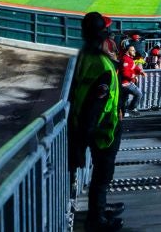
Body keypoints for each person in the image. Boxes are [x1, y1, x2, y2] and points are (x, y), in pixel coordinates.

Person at [68, 12, 125, 231]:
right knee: (102, 176)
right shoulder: (102, 65)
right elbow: (94, 108)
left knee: (101, 178)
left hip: (91, 129)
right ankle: (96, 220)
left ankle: (99, 208)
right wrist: (81, 143)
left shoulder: (84, 55)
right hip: (103, 132)